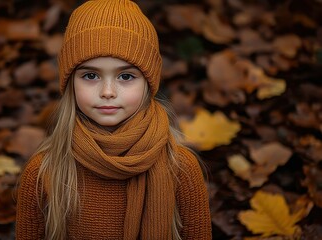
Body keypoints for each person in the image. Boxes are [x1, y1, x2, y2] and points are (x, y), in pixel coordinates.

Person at [15, 0, 212, 239]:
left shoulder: (181, 169)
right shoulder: (44, 172)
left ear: (149, 84)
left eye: (126, 76)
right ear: (70, 84)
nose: (107, 91)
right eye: (90, 75)